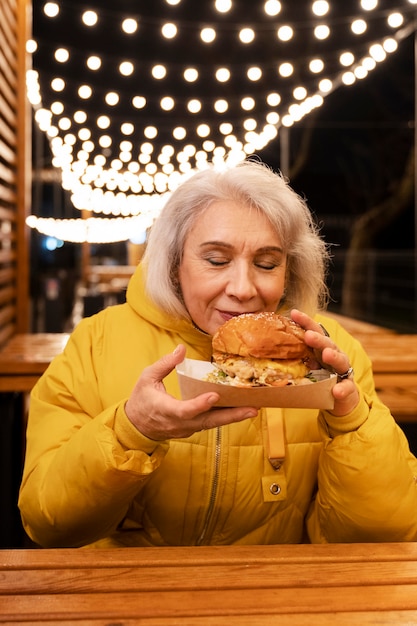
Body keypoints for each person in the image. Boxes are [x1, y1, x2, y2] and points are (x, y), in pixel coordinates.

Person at [19, 160, 417, 548]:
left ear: (289, 270)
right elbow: (48, 522)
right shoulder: (96, 342)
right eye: (216, 260)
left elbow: (389, 532)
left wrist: (351, 420)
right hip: (123, 600)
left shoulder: (332, 355)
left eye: (266, 263)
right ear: (174, 264)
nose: (243, 288)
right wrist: (133, 429)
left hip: (275, 600)